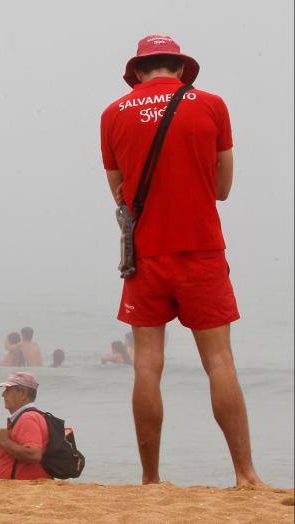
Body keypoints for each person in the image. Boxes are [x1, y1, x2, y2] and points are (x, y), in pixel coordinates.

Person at [100, 35, 262, 486]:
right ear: (180, 68)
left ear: (137, 72)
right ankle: (245, 474)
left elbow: (119, 191)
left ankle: (150, 479)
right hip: (201, 250)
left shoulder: (112, 114)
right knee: (220, 363)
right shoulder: (211, 105)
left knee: (147, 364)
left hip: (145, 255)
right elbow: (223, 188)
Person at [0, 372, 51, 480]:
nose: (3, 395)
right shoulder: (31, 416)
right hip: (25, 488)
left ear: (23, 394)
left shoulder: (27, 418)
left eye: (8, 390)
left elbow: (34, 454)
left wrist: (4, 441)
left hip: (23, 489)